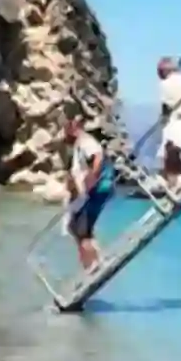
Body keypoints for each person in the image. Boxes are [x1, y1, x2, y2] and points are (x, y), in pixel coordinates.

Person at [64, 115, 115, 271]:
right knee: (76, 227)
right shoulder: (80, 144)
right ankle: (93, 261)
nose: (64, 133)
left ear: (73, 127)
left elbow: (97, 157)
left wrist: (92, 178)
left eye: (66, 129)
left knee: (82, 230)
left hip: (96, 189)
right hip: (90, 192)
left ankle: (95, 262)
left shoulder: (86, 142)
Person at [154, 56, 181, 187]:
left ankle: (174, 185)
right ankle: (180, 179)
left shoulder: (165, 84)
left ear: (164, 71)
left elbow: (165, 107)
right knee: (176, 152)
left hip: (177, 120)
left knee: (170, 154)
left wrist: (162, 120)